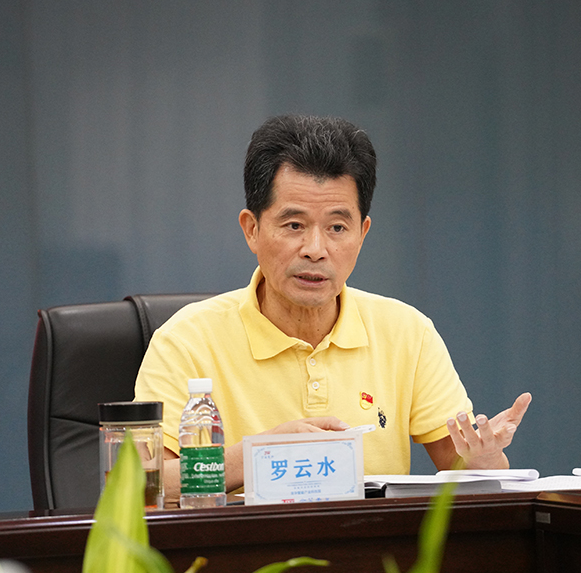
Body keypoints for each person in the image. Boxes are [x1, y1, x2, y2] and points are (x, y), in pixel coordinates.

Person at [135, 114, 531, 495]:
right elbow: (139, 484)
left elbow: (469, 475)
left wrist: (487, 460)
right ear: (252, 229)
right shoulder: (186, 340)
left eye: (337, 227)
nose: (315, 249)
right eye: (294, 225)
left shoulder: (406, 332)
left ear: (363, 233)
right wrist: (259, 455)